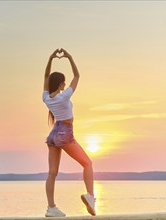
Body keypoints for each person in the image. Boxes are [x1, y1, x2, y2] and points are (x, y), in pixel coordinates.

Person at [42, 48, 96, 217]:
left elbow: (45, 78)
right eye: (63, 83)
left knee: (52, 172)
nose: (65, 85)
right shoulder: (64, 97)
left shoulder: (46, 97)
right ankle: (90, 196)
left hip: (53, 134)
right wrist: (70, 57)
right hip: (64, 132)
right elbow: (77, 77)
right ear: (60, 84)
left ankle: (51, 208)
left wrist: (51, 58)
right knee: (87, 163)